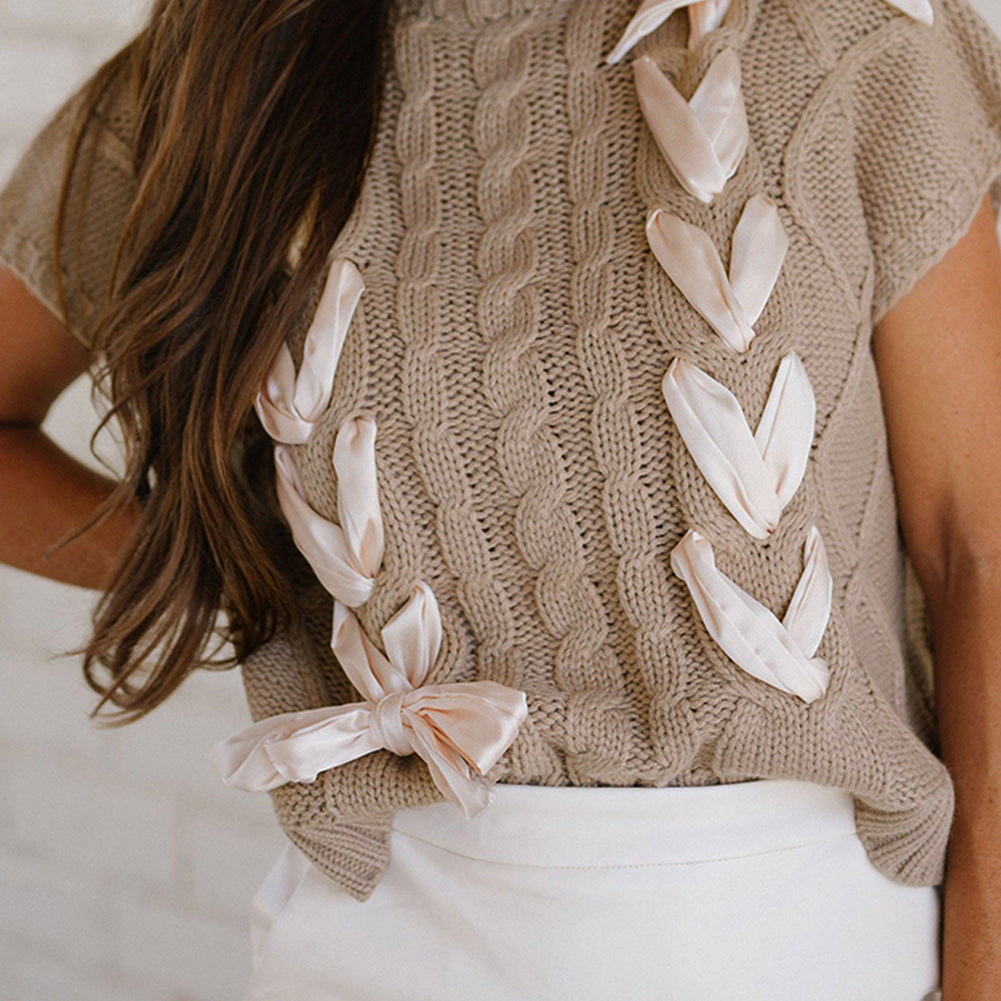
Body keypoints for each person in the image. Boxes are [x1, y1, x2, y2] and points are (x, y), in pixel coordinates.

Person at [3, 0, 1001, 997]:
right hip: (384, 934)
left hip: (789, 932)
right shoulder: (234, 68)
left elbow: (977, 545)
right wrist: (241, 573)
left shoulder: (838, 35)